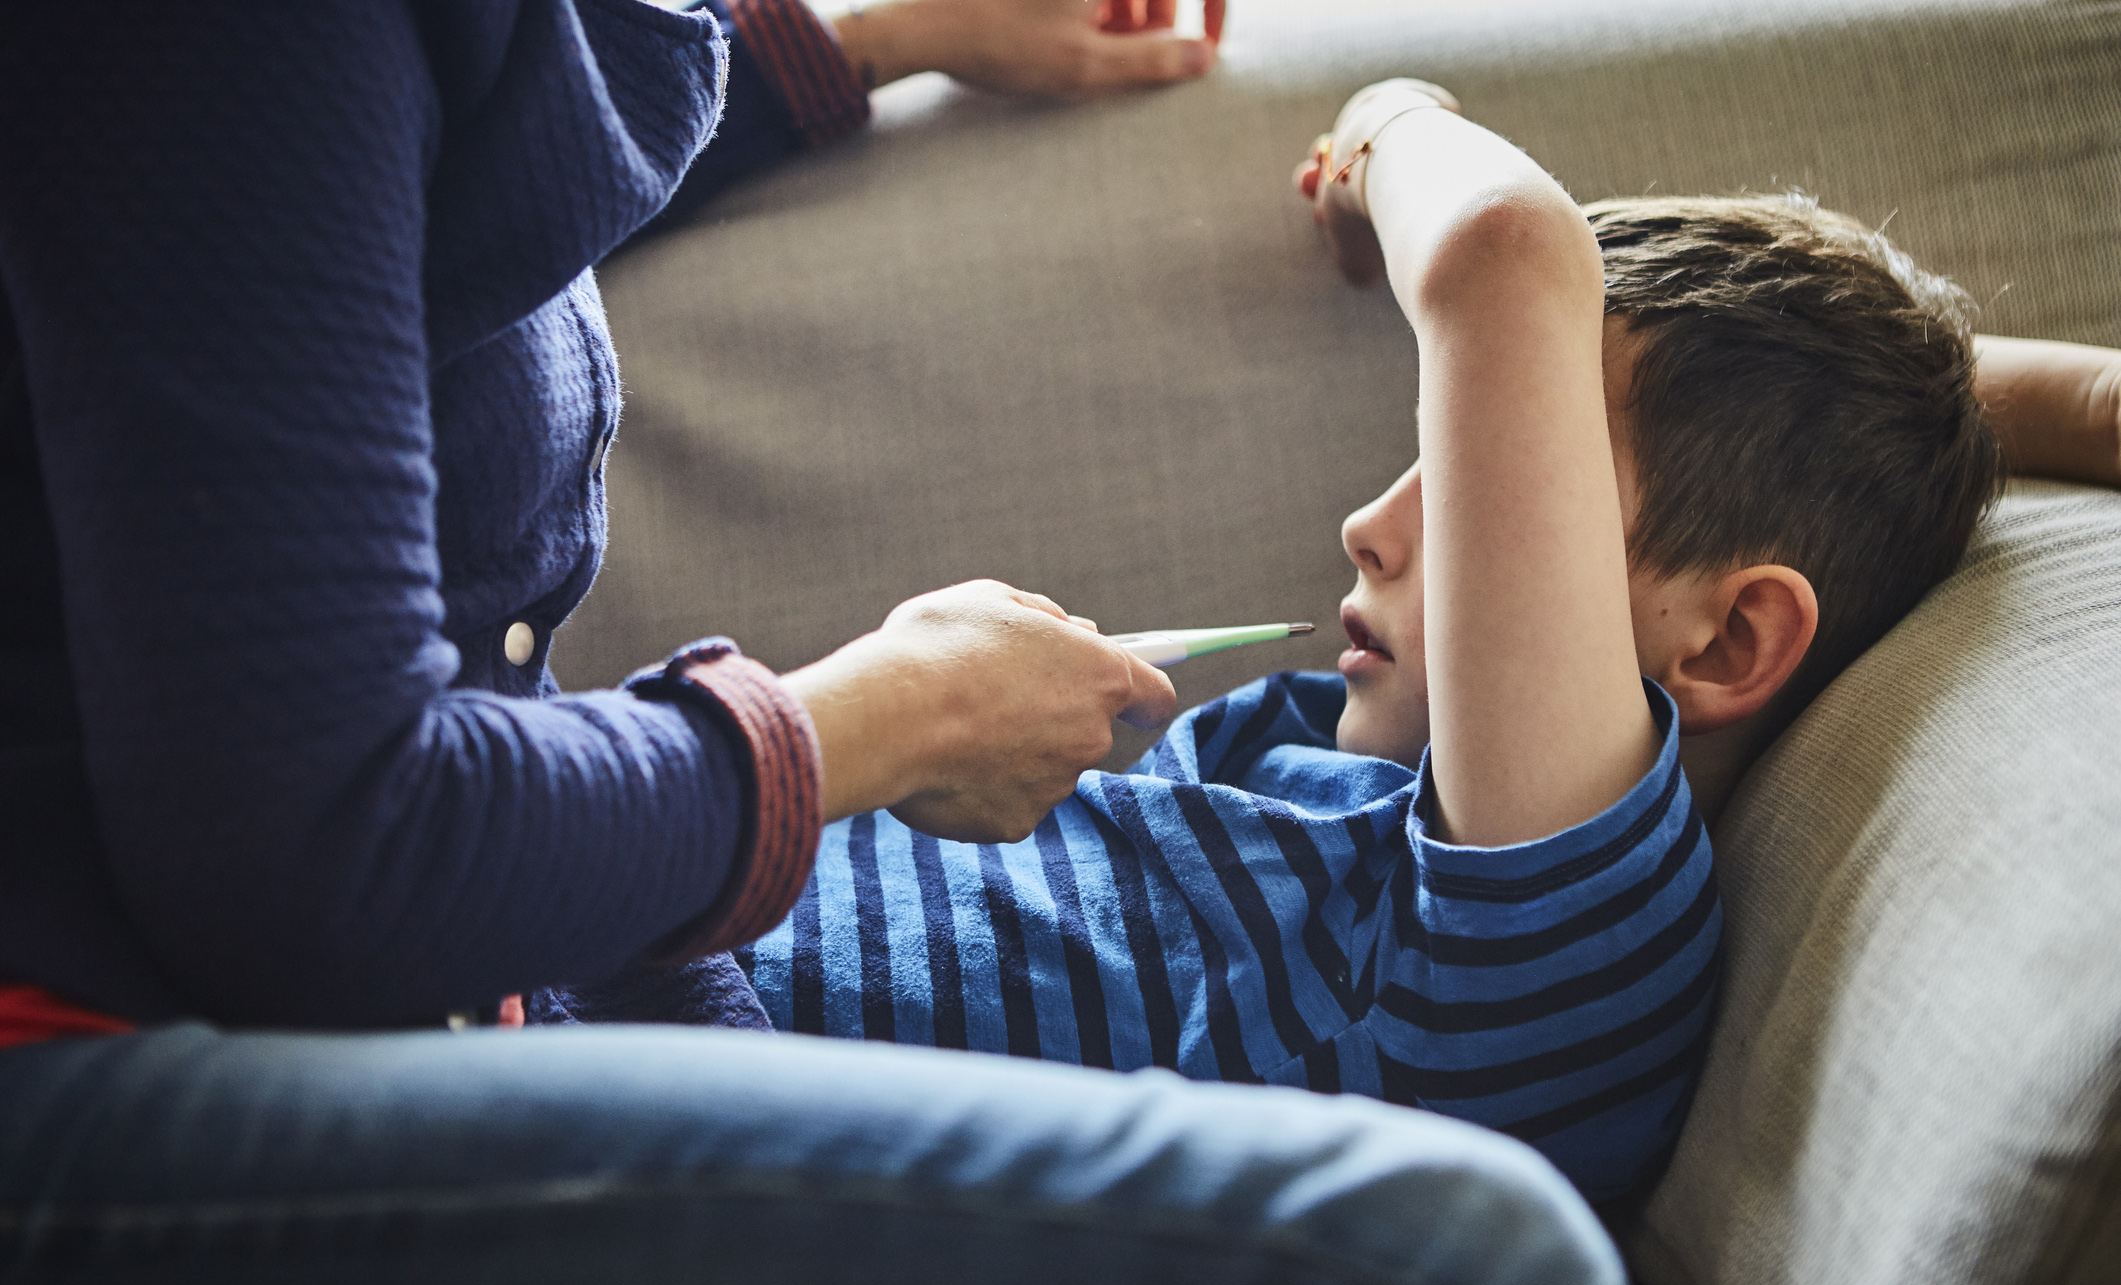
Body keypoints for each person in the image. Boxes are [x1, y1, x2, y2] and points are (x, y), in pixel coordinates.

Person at [1, 9, 1681, 1285]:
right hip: (150, 1047)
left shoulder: (1519, 919)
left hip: (496, 1008)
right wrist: (875, 720)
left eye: (1477, 487)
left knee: (1469, 1275)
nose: (1372, 522)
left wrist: (869, 41)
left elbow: (401, 167)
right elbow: (328, 843)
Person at [729, 84, 2121, 1204]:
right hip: (616, 914)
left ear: (1725, 640)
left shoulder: (1558, 942)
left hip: (627, 1056)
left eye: (1476, 482)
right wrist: (2010, 402)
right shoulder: (1371, 775)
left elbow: (1508, 254)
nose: (1365, 526)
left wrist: (1385, 121)